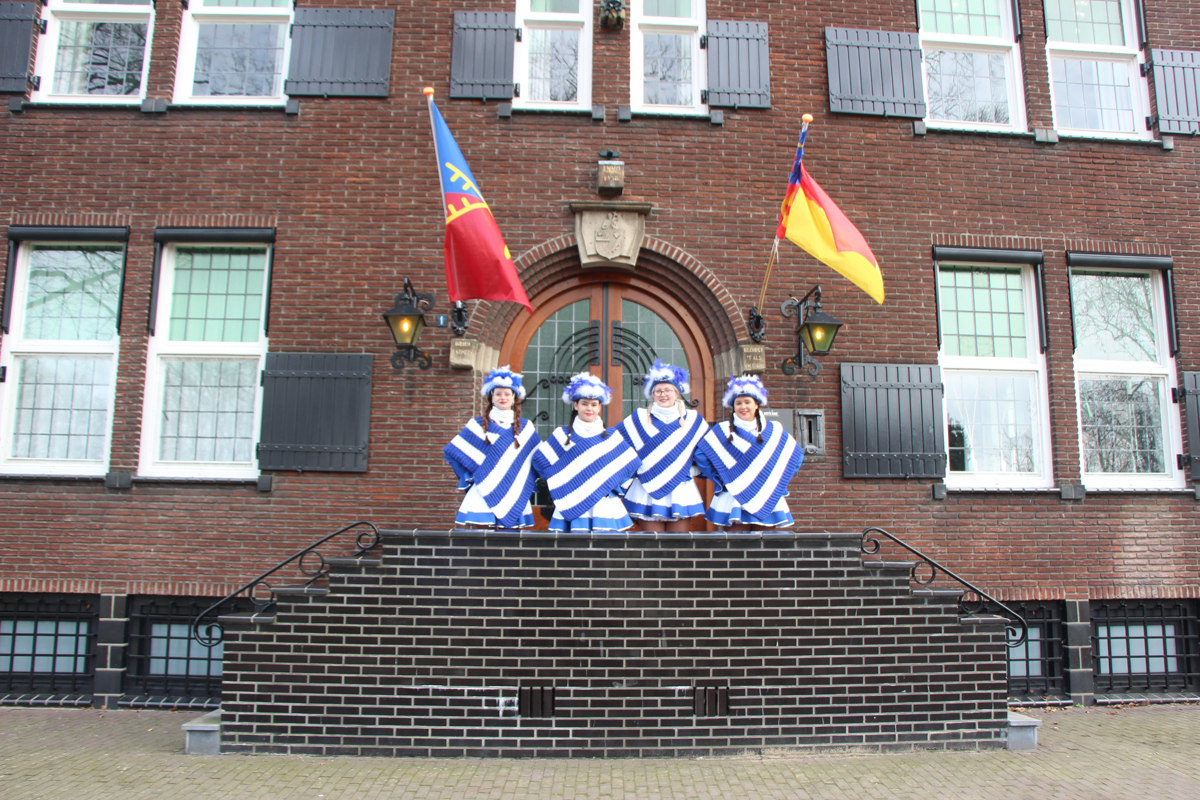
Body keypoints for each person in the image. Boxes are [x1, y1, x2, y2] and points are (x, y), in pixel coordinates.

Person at [532, 371, 642, 532]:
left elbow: (630, 465)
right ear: (576, 405)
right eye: (584, 403)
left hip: (604, 505)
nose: (589, 408)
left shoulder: (611, 436)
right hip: (571, 501)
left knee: (606, 546)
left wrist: (611, 486)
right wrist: (563, 483)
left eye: (594, 404)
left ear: (599, 407)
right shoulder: (561, 435)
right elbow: (540, 461)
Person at [694, 374, 803, 530]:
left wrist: (777, 479)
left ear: (756, 404)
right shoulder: (722, 430)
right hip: (734, 497)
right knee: (737, 543)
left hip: (766, 494)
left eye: (747, 402)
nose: (743, 407)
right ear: (733, 406)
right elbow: (701, 456)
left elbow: (796, 456)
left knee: (764, 543)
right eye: (738, 403)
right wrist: (721, 478)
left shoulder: (774, 430)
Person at [443, 366, 540, 529]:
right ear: (491, 397)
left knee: (510, 540)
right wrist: (470, 476)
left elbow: (538, 458)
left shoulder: (526, 427)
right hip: (483, 492)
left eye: (507, 394)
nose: (503, 397)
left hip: (513, 491)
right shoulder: (476, 425)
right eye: (498, 394)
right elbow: (452, 452)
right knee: (482, 538)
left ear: (514, 397)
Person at [619, 359, 709, 532]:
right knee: (652, 543)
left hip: (680, 490)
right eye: (658, 391)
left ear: (677, 393)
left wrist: (691, 470)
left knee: (677, 544)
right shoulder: (638, 418)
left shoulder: (693, 419)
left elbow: (708, 451)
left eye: (668, 390)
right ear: (652, 394)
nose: (663, 394)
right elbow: (616, 445)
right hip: (646, 490)